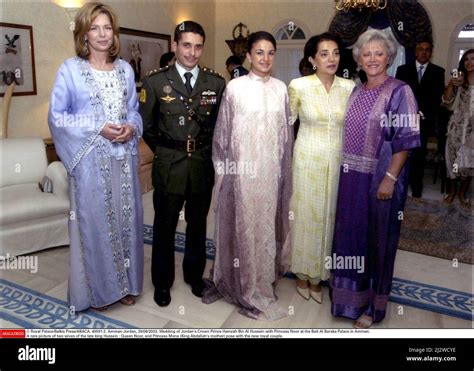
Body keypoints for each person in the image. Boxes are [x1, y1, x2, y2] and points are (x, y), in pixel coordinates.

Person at [48, 2, 144, 312]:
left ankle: (127, 284)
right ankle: (99, 292)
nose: (102, 34)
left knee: (126, 221)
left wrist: (130, 127)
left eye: (107, 28)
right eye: (95, 28)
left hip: (123, 162)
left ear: (114, 33)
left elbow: (133, 110)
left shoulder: (125, 70)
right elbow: (57, 117)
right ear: (84, 33)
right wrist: (97, 127)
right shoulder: (70, 70)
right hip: (89, 162)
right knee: (96, 224)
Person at [330, 29, 420, 328]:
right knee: (350, 239)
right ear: (358, 58)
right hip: (351, 179)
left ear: (389, 57)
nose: (372, 59)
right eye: (366, 54)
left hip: (380, 179)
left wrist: (390, 178)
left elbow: (406, 140)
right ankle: (347, 301)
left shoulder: (400, 91)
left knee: (378, 242)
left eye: (378, 53)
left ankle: (372, 307)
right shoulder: (356, 90)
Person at [202, 31, 293, 321]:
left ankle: (261, 281)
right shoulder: (235, 89)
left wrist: (282, 171)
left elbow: (285, 137)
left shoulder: (281, 89)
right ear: (249, 56)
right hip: (241, 174)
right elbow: (223, 135)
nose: (265, 59)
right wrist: (225, 172)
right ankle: (239, 281)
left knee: (264, 227)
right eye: (259, 53)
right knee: (243, 226)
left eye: (270, 53)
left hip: (269, 173)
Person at [139, 21, 226, 307]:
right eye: (186, 45)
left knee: (198, 225)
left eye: (198, 46)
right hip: (169, 165)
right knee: (164, 226)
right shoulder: (154, 82)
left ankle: (194, 277)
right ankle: (162, 283)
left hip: (201, 164)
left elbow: (217, 127)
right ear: (174, 46)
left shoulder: (215, 83)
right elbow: (146, 126)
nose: (192, 52)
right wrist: (168, 150)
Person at [289, 33, 355, 304]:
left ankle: (321, 275)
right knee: (306, 218)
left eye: (336, 52)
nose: (331, 58)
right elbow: (284, 124)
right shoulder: (299, 86)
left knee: (330, 217)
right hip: (306, 162)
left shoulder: (350, 87)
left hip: (339, 163)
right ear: (312, 59)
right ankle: (303, 274)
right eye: (324, 53)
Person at [396, 40, 445, 198]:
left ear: (431, 52)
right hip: (403, 120)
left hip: (424, 122)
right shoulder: (402, 70)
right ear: (415, 52)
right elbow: (399, 94)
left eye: (427, 50)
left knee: (418, 156)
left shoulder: (438, 72)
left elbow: (436, 98)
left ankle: (417, 187)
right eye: (420, 49)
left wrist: (422, 114)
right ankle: (399, 185)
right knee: (401, 153)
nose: (424, 52)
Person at [442, 49, 474, 207]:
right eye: (466, 59)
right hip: (456, 128)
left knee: (468, 163)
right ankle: (452, 191)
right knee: (452, 161)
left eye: (473, 59)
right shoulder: (459, 79)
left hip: (472, 132)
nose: (469, 62)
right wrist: (451, 84)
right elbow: (446, 101)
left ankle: (462, 194)